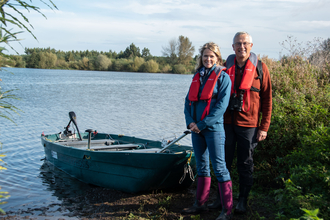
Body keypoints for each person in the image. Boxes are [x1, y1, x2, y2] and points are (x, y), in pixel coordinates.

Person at [182, 42, 233, 220]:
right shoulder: (197, 76)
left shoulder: (224, 78)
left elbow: (221, 107)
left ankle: (227, 210)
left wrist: (202, 124)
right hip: (196, 130)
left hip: (213, 129)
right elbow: (188, 103)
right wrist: (190, 123)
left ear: (217, 58)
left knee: (219, 168)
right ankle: (200, 204)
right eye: (205, 56)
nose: (208, 59)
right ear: (201, 57)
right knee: (202, 167)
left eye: (212, 56)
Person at [224, 31, 272, 214]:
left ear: (251, 46)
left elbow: (267, 100)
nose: (241, 47)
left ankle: (242, 200)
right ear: (233, 47)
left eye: (245, 43)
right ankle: (224, 199)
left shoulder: (261, 68)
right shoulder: (225, 66)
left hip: (249, 126)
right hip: (227, 123)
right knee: (224, 162)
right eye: (238, 43)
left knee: (245, 163)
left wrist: (264, 127)